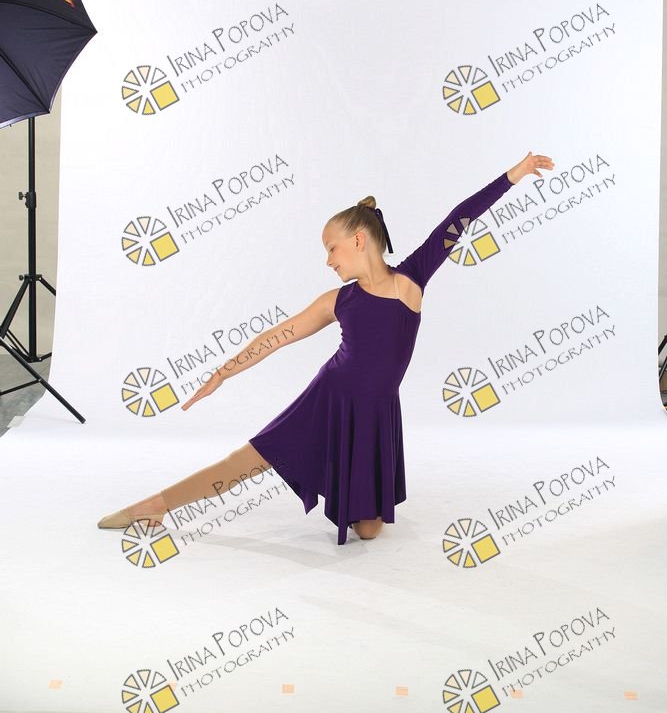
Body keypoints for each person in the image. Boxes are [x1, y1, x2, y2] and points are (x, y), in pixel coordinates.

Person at [97, 152, 555, 543]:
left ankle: (340, 484)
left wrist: (513, 175)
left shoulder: (412, 279)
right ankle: (154, 505)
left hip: (376, 413)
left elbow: (460, 218)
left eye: (332, 249)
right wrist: (223, 372)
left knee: (369, 531)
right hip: (330, 398)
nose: (328, 260)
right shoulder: (338, 300)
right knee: (246, 463)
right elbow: (277, 336)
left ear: (358, 240)